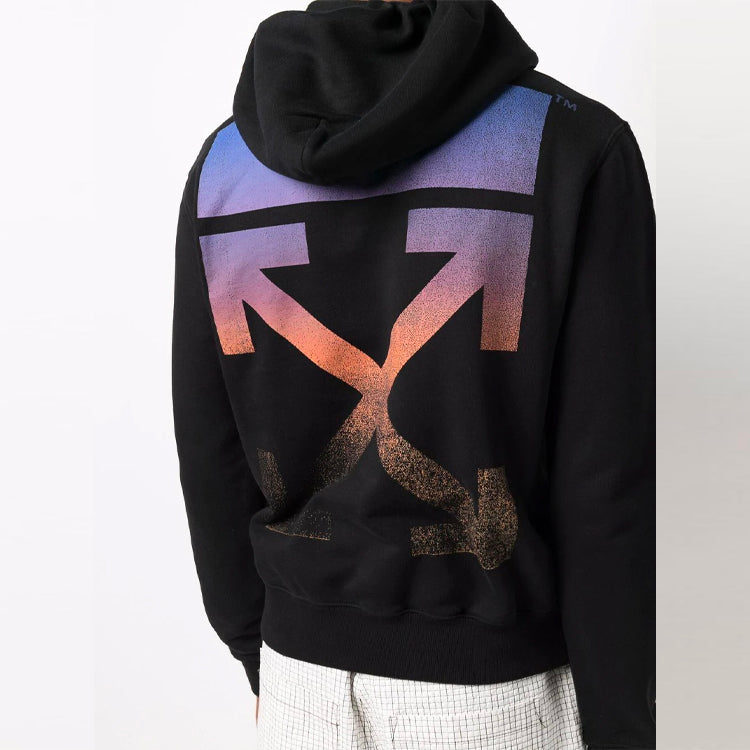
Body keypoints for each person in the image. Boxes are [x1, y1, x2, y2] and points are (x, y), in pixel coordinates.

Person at [171, 0, 656, 747]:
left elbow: (211, 446)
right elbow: (604, 477)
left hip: (300, 683)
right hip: (498, 692)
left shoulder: (227, 166)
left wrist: (256, 647)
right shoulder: (567, 145)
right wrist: (620, 721)